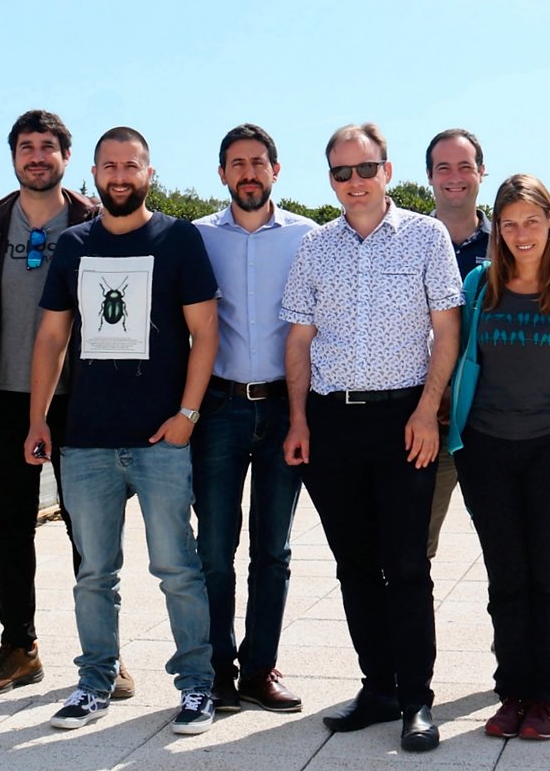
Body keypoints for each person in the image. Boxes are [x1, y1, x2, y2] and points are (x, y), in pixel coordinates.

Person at [25, 127, 219, 735]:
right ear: (94, 173)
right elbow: (52, 337)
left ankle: (197, 687)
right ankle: (94, 683)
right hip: (86, 439)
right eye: (109, 166)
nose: (119, 176)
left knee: (177, 568)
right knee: (93, 573)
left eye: (130, 165)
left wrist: (187, 416)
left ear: (148, 174)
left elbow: (206, 333)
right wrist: (38, 418)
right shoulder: (74, 245)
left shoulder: (178, 239)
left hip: (161, 439)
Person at [281, 123, 462, 753]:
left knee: (407, 565)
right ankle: (378, 687)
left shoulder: (426, 236)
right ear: (330, 178)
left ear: (387, 171)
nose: (354, 182)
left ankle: (417, 700)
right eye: (342, 172)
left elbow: (448, 330)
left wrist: (428, 412)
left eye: (365, 169)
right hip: (331, 424)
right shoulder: (315, 246)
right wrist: (298, 419)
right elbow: (299, 339)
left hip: (403, 420)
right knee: (354, 565)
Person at [0, 110, 137, 699]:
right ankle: (19, 648)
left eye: (47, 147)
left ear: (66, 156)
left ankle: (106, 653)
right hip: (5, 399)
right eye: (26, 147)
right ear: (14, 156)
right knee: (11, 526)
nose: (36, 156)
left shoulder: (93, 219)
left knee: (89, 529)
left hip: (80, 402)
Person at [448, 174, 550, 740]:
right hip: (486, 449)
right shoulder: (477, 286)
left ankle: (546, 695)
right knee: (506, 577)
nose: (521, 234)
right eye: (510, 223)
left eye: (532, 222)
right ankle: (512, 692)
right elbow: (457, 357)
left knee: (548, 576)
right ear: (497, 228)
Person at [192, 124, 314, 713]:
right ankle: (217, 668)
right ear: (222, 174)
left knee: (274, 550)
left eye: (258, 162)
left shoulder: (307, 237)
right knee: (215, 548)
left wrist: (304, 415)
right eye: (237, 163)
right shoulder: (196, 237)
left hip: (286, 407)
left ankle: (260, 668)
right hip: (218, 408)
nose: (248, 172)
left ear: (275, 170)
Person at [424, 128, 492, 559]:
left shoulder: (510, 243)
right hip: (427, 419)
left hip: (492, 419)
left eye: (465, 166)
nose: (454, 177)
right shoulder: (407, 241)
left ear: (482, 172)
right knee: (414, 548)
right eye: (443, 167)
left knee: (508, 547)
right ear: (429, 176)